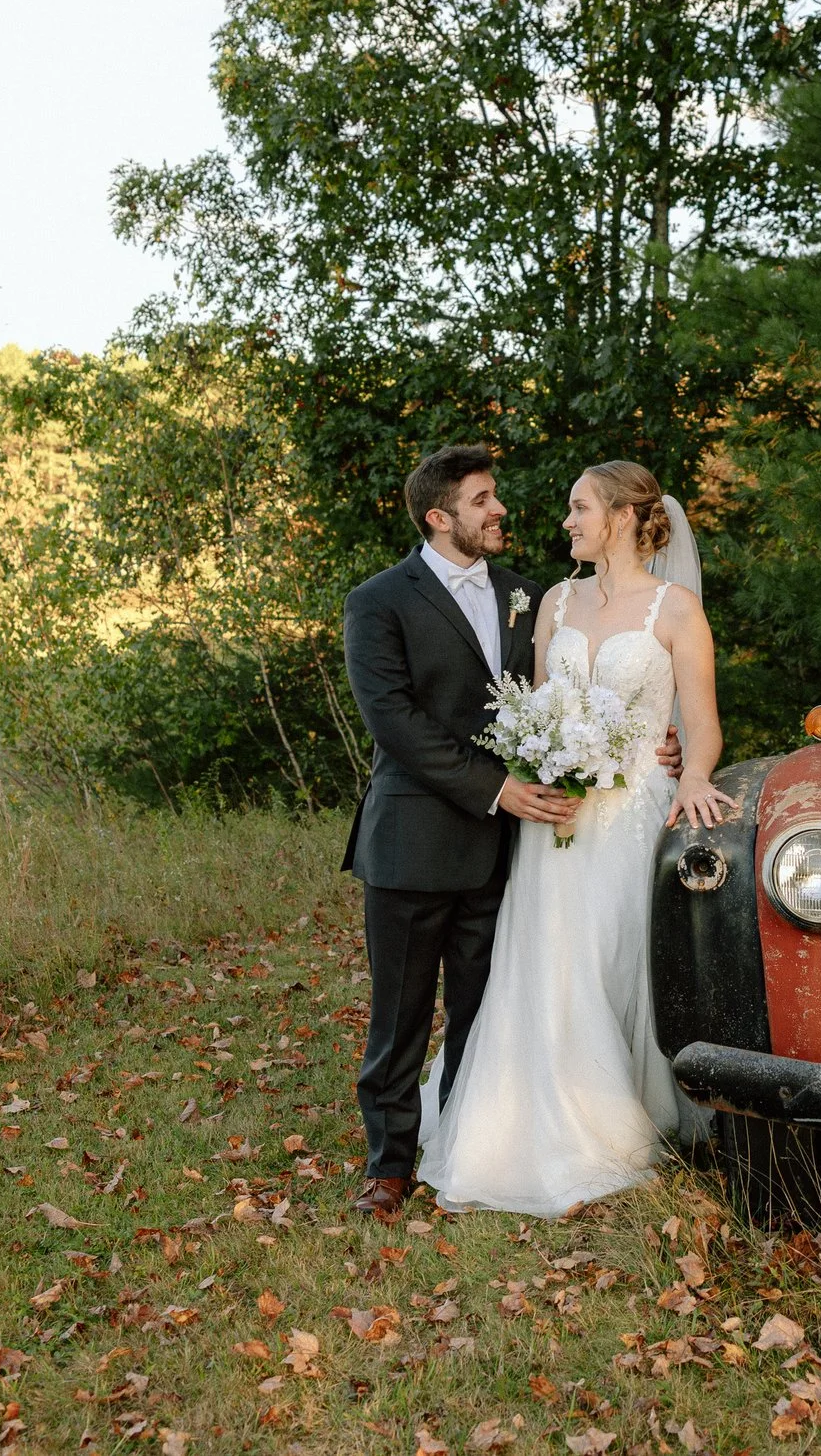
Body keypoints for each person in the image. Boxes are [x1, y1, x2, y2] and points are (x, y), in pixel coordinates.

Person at [339, 446, 684, 1223]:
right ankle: (388, 1167)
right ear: (441, 516)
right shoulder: (379, 602)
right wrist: (499, 790)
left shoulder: (531, 597)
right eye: (483, 500)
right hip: (415, 838)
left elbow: (571, 699)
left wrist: (657, 745)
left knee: (481, 1007)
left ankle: (462, 1137)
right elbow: (394, 721)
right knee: (399, 1016)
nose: (500, 511)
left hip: (508, 850)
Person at [413, 460, 738, 1217]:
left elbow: (702, 719)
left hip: (630, 814)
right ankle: (529, 1121)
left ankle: (622, 1111)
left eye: (579, 507)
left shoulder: (676, 608)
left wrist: (693, 772)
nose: (567, 520)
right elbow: (535, 708)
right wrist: (536, 760)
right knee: (548, 960)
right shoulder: (554, 601)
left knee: (615, 961)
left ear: (622, 516)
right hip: (556, 812)